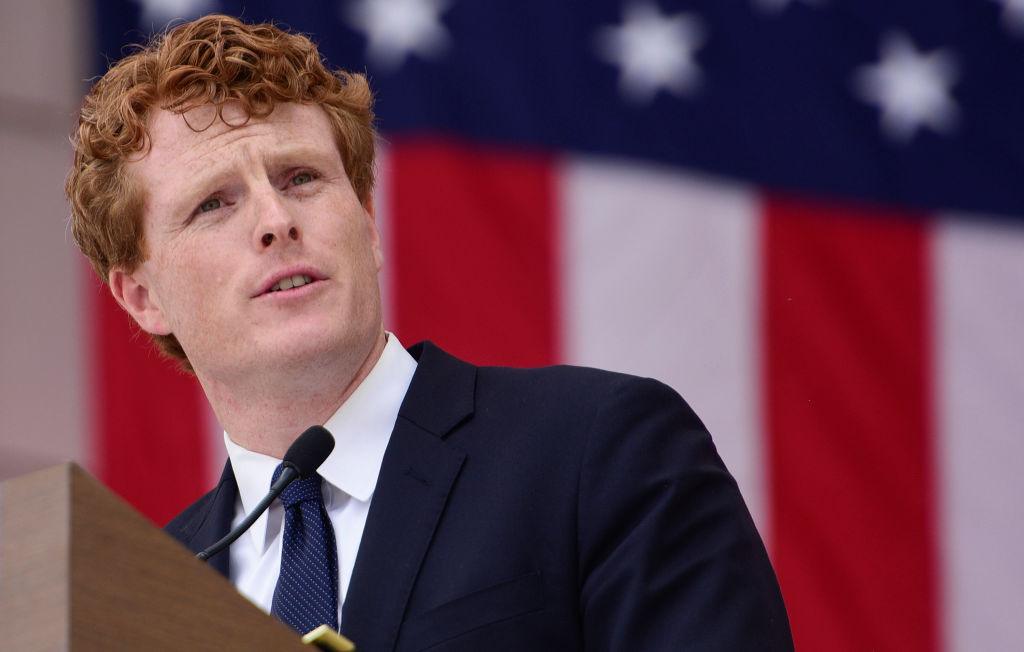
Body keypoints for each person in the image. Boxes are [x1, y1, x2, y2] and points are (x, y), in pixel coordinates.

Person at [66, 14, 792, 651]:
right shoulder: (147, 598)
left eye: (301, 179)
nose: (276, 220)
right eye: (214, 204)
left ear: (369, 224)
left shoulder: (600, 450)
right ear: (140, 297)